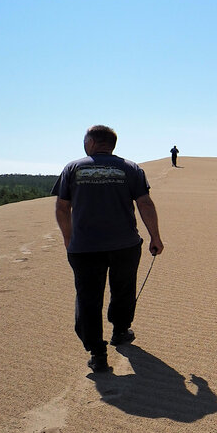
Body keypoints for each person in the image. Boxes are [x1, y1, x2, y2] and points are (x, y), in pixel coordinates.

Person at [54, 126, 164, 373]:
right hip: (125, 245)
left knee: (88, 298)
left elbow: (62, 207)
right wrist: (155, 236)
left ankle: (98, 353)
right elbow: (144, 202)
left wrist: (69, 239)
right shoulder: (131, 168)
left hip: (84, 248)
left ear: (91, 142)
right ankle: (120, 331)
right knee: (123, 289)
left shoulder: (73, 168)